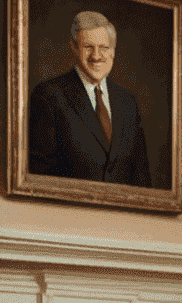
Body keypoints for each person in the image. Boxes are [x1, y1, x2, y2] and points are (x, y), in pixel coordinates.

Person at [28, 10, 152, 185]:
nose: (96, 56)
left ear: (113, 51)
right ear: (74, 47)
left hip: (124, 212)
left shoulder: (128, 103)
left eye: (104, 48)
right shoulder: (48, 96)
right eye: (88, 47)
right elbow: (40, 177)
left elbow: (141, 177)